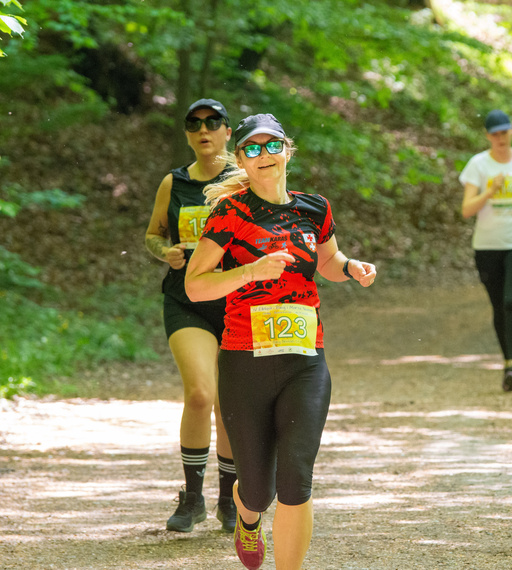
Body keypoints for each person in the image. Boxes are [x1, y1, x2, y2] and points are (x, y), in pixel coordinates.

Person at [185, 113, 377, 570]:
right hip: (244, 360)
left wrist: (351, 268)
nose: (264, 155)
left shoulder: (315, 208)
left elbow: (327, 261)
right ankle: (247, 514)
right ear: (240, 160)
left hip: (305, 360)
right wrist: (250, 271)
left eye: (272, 145)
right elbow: (195, 285)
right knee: (258, 491)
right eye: (252, 149)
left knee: (296, 478)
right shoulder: (231, 214)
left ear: (287, 150)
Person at [144, 98, 237, 533]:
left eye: (213, 122)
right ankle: (193, 497)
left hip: (236, 302)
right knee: (200, 393)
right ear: (186, 133)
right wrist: (166, 252)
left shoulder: (243, 180)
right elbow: (152, 234)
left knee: (228, 402)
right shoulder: (174, 182)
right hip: (186, 299)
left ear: (227, 132)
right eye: (194, 123)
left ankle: (230, 498)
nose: (204, 130)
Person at [459, 109, 512, 392]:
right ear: (487, 136)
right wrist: (489, 191)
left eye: (504, 132)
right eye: (495, 133)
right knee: (498, 305)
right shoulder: (478, 165)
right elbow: (466, 209)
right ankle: (508, 362)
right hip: (486, 245)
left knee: (510, 301)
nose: (501, 138)